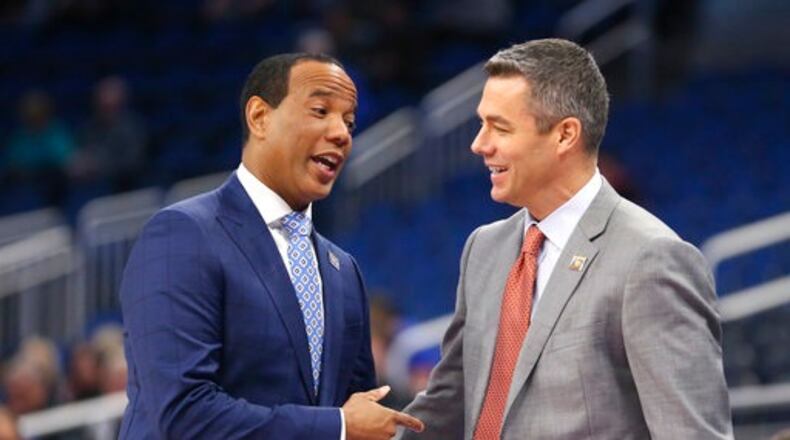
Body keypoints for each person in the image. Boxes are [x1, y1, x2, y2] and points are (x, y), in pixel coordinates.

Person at [399, 39, 732, 439]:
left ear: (565, 135)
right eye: (481, 124)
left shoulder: (651, 258)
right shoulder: (483, 248)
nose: (479, 144)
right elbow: (450, 401)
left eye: (499, 127)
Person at [119, 53, 423, 439]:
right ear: (260, 117)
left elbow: (359, 415)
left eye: (349, 122)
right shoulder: (183, 234)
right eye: (320, 111)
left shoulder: (343, 270)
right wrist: (339, 426)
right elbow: (183, 413)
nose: (341, 133)